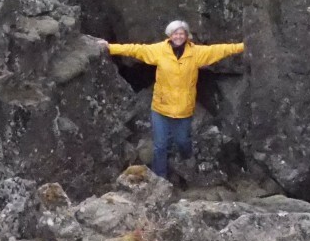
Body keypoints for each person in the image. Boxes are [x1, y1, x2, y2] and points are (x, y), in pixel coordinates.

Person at [96, 20, 244, 181]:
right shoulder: (160, 50)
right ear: (170, 35)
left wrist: (243, 46)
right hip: (161, 108)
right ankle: (161, 179)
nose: (178, 36)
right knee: (160, 146)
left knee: (183, 142)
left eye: (181, 33)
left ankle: (186, 161)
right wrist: (110, 47)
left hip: (183, 110)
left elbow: (220, 50)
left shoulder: (196, 53)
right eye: (175, 33)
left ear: (187, 36)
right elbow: (136, 50)